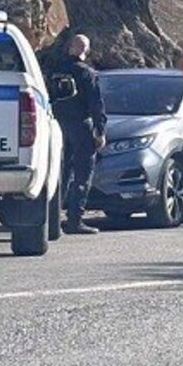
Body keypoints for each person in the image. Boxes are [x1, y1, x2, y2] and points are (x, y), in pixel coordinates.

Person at [51, 34, 107, 235]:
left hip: (56, 125)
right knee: (83, 173)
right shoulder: (86, 73)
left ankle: (52, 219)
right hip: (81, 126)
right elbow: (96, 104)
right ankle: (75, 220)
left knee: (59, 172)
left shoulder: (54, 70)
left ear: (69, 47)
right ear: (86, 50)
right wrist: (100, 130)